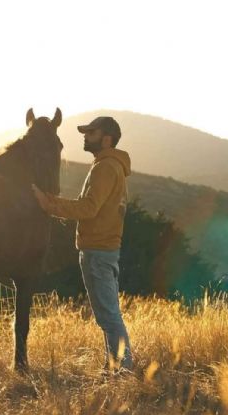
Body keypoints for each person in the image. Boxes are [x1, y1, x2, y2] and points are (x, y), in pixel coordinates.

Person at [32, 116, 133, 372]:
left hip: (98, 251)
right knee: (106, 315)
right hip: (100, 249)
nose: (85, 136)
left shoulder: (106, 167)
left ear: (106, 138)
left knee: (109, 315)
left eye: (92, 132)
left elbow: (89, 208)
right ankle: (115, 366)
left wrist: (49, 204)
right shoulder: (109, 165)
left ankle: (123, 369)